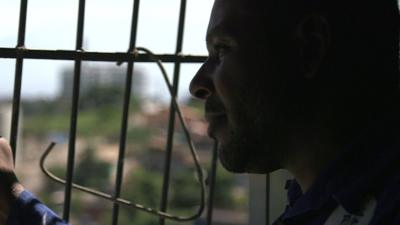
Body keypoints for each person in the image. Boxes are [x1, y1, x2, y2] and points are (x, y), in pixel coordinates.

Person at [1, 0, 400, 224]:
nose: (196, 83)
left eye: (222, 49)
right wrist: (14, 198)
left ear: (310, 48)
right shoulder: (327, 203)